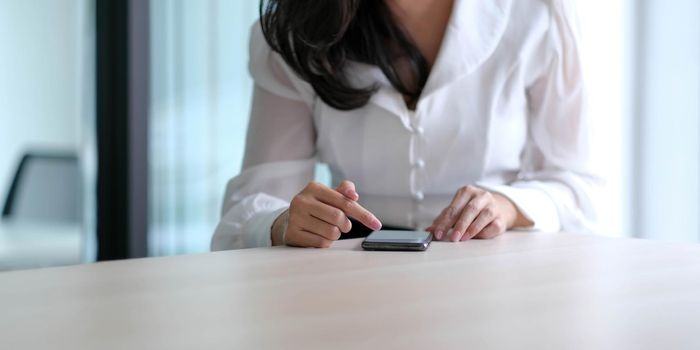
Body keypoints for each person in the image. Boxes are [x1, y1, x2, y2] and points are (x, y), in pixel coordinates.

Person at [211, 0, 599, 250]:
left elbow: (577, 188)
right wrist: (285, 223)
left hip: (500, 278)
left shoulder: (539, 14)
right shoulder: (292, 32)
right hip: (350, 282)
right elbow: (251, 209)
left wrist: (509, 206)